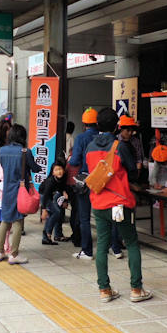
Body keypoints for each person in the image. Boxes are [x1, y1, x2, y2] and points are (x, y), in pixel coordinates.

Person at [86, 108, 152, 303]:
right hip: (120, 202)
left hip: (99, 202)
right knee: (131, 243)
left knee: (102, 246)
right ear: (116, 126)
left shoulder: (90, 146)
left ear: (97, 125)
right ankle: (136, 289)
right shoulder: (120, 147)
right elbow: (132, 173)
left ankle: (104, 289)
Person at [0, 124, 41, 264]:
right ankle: (14, 254)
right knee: (17, 221)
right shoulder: (25, 152)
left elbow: (3, 166)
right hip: (20, 191)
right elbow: (35, 168)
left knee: (5, 220)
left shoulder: (2, 150)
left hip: (6, 189)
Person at [70, 108, 99, 260]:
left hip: (86, 180)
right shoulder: (103, 137)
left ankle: (87, 251)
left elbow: (75, 161)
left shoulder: (81, 138)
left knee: (84, 218)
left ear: (84, 124)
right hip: (102, 180)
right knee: (104, 216)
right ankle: (113, 247)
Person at [40, 161, 71, 244]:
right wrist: (44, 210)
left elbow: (62, 188)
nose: (59, 171)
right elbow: (45, 195)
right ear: (53, 172)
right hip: (45, 196)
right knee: (56, 212)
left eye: (60, 169)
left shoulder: (63, 178)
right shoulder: (50, 181)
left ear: (63, 170)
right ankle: (47, 234)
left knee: (55, 213)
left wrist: (65, 200)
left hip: (51, 195)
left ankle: (47, 237)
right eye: (56, 170)